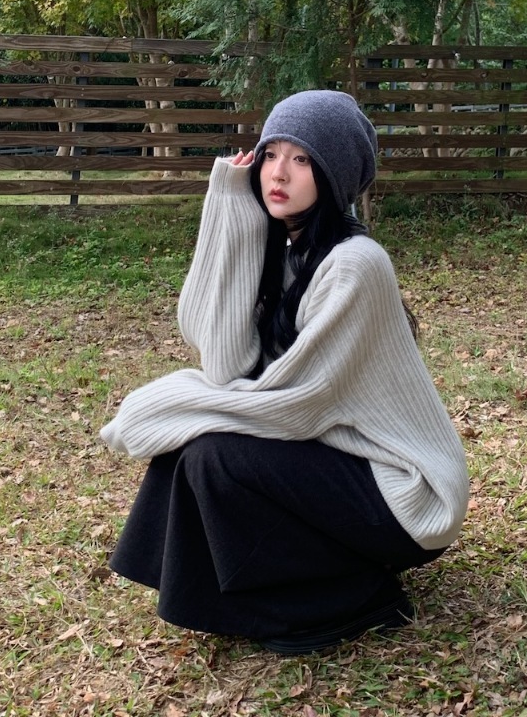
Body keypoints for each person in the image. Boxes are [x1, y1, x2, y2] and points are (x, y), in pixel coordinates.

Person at [98, 89, 470, 655]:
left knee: (212, 453)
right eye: (271, 154)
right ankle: (258, 587)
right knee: (194, 444)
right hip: (344, 460)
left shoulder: (355, 264)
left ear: (333, 173)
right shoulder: (286, 249)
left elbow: (296, 406)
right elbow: (223, 363)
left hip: (408, 495)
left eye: (301, 160)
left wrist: (169, 404)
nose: (278, 173)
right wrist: (229, 205)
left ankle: (352, 596)